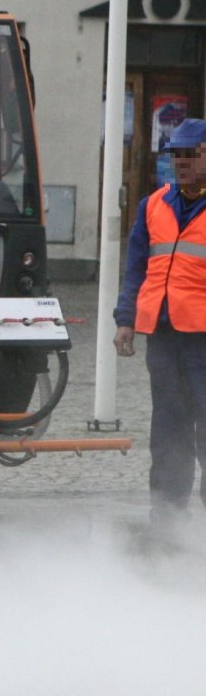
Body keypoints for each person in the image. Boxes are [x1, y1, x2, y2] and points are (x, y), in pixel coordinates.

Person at [114, 117, 206, 528]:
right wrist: (125, 319)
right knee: (169, 428)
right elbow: (136, 267)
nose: (181, 162)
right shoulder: (153, 205)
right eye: (176, 154)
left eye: (191, 154)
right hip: (165, 337)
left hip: (203, 339)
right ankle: (167, 522)